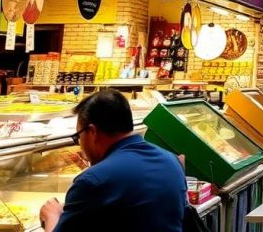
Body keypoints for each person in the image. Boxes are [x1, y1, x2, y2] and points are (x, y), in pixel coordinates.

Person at [38, 89, 186, 232]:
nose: (80, 145)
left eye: (78, 137)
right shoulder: (172, 162)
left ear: (92, 132)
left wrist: (52, 216)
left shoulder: (92, 181)